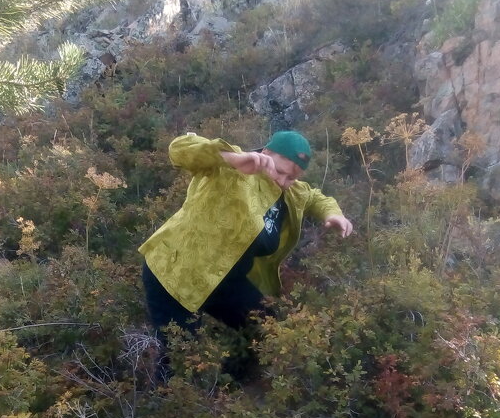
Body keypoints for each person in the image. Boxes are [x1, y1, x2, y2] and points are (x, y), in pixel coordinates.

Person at [139, 130, 354, 379]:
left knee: (266, 328)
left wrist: (332, 213)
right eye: (280, 171)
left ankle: (232, 387)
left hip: (226, 282)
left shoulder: (290, 192)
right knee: (179, 360)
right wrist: (229, 158)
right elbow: (180, 149)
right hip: (175, 273)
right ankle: (166, 408)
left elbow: (315, 197)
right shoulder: (235, 167)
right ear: (265, 154)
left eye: (292, 177)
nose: (283, 180)